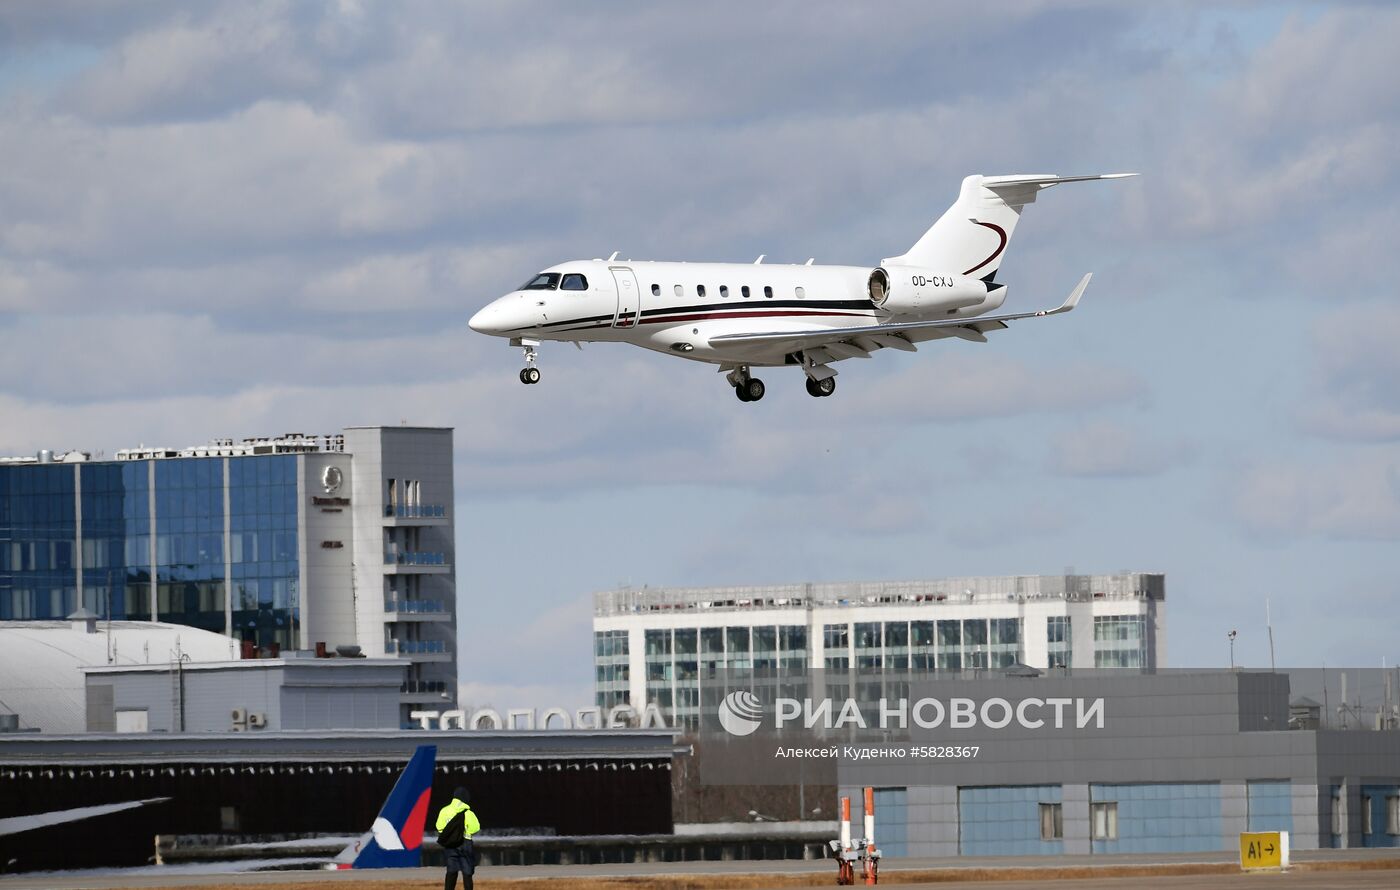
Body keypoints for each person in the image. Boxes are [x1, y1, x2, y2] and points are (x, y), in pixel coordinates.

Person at [435, 786, 480, 890]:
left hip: (450, 844)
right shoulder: (468, 813)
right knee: (467, 873)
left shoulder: (444, 811)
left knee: (451, 871)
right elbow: (475, 828)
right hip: (465, 844)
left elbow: (439, 827)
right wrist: (466, 832)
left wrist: (450, 834)